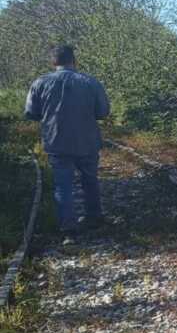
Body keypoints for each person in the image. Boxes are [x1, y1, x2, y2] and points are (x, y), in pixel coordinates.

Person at [24, 45, 111, 237]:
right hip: (87, 140)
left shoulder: (40, 82)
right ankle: (94, 217)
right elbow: (103, 112)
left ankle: (68, 227)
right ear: (74, 60)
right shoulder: (91, 83)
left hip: (56, 141)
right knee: (90, 179)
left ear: (53, 61)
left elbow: (31, 112)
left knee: (63, 185)